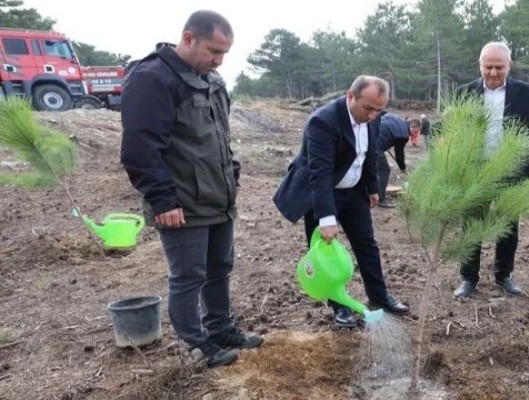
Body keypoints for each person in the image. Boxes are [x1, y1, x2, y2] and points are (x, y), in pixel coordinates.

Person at [120, 10, 262, 368]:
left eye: (225, 53)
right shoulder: (154, 78)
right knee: (188, 276)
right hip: (180, 203)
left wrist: (233, 175)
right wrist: (162, 198)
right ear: (187, 39)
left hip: (218, 197)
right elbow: (140, 147)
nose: (219, 60)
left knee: (219, 267)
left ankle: (220, 328)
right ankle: (196, 345)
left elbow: (218, 138)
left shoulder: (211, 80)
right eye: (214, 51)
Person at [272, 76, 410, 328]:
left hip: (354, 191)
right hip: (321, 193)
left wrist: (371, 187)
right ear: (351, 96)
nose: (372, 115)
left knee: (367, 245)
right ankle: (341, 309)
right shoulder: (322, 122)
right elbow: (319, 173)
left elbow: (369, 154)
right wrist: (326, 217)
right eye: (368, 108)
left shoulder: (374, 117)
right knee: (328, 255)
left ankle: (379, 297)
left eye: (378, 110)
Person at [452, 42, 529, 299]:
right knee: (472, 224)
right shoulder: (465, 92)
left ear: (509, 66)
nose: (493, 72)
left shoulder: (525, 93)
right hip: (476, 172)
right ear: (480, 65)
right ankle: (468, 277)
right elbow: (455, 132)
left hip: (511, 170)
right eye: (488, 66)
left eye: (499, 67)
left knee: (508, 224)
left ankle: (503, 275)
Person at [376, 112, 416, 208]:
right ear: (413, 128)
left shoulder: (394, 116)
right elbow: (399, 155)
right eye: (415, 131)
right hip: (375, 146)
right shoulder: (403, 135)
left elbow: (381, 113)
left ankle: (370, 193)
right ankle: (380, 199)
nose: (414, 134)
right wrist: (403, 169)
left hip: (367, 137)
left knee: (374, 170)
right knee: (385, 171)